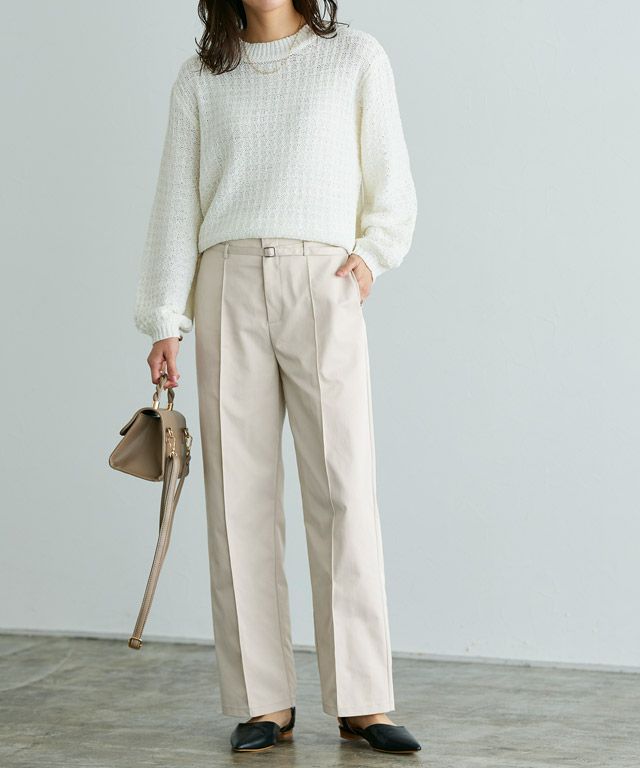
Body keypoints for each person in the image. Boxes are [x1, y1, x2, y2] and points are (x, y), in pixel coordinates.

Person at [133, 0, 419, 754]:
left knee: (343, 487)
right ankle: (263, 701)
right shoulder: (202, 78)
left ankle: (362, 699)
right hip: (225, 280)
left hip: (323, 279)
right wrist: (165, 316)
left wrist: (373, 254)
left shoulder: (354, 56)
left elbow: (390, 177)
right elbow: (176, 201)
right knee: (238, 498)